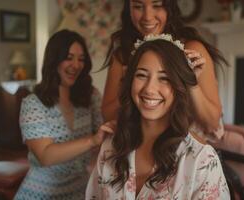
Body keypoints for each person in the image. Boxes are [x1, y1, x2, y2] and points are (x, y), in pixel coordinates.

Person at [86, 35, 230, 199]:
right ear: (130, 81)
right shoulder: (111, 147)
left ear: (179, 87)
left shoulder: (201, 159)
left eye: (164, 78)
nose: (149, 89)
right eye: (141, 75)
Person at [101, 0, 227, 140]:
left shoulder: (192, 50)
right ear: (128, 10)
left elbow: (211, 123)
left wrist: (190, 81)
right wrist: (131, 81)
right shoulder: (122, 56)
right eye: (138, 6)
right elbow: (108, 116)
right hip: (140, 145)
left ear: (170, 8)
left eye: (157, 5)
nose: (147, 17)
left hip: (190, 152)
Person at [14, 30, 113, 199]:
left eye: (81, 59)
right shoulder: (33, 103)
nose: (76, 65)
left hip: (81, 189)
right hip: (41, 192)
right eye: (69, 57)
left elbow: (105, 135)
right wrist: (91, 140)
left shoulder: (91, 96)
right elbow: (45, 156)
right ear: (54, 60)